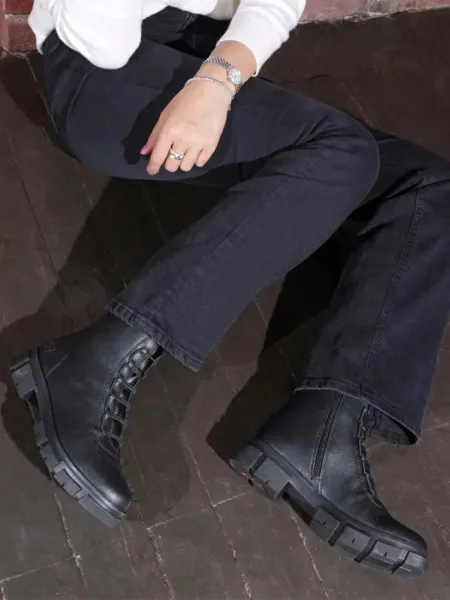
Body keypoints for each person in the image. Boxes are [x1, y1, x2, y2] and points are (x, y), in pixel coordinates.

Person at [11, 0, 450, 579]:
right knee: (341, 152)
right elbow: (97, 33)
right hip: (98, 69)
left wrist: (215, 82)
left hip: (213, 57)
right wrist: (210, 86)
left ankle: (328, 427)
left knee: (428, 185)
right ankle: (95, 359)